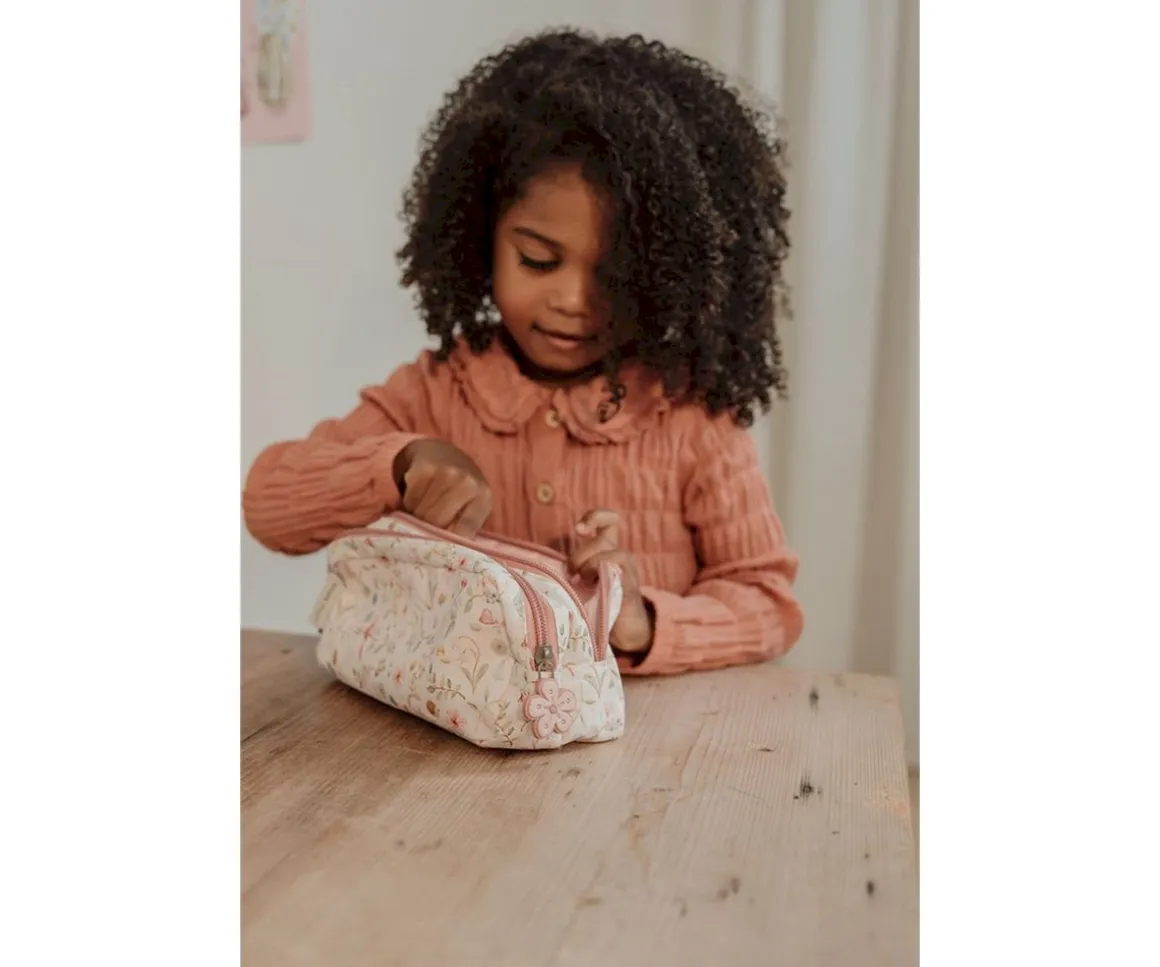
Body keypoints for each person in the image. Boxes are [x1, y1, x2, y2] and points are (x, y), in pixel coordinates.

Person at [243, 29, 804, 676]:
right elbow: (268, 504)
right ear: (481, 235)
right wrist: (398, 465)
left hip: (661, 738)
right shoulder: (436, 393)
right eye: (538, 260)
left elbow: (768, 604)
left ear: (666, 276)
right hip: (455, 733)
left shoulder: (688, 417)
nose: (573, 300)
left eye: (615, 277)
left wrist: (642, 620)